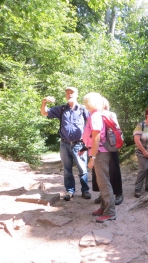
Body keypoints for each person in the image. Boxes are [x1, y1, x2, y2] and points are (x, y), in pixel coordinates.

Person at [40, 87, 91, 201]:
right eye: (68, 93)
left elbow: (93, 123)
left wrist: (89, 142)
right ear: (65, 95)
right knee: (67, 170)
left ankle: (85, 191)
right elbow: (44, 113)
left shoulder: (83, 109)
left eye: (72, 93)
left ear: (77, 94)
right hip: (64, 144)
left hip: (79, 144)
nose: (70, 95)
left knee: (82, 170)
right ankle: (70, 191)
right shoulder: (62, 109)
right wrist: (44, 102)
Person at [82, 92, 116, 223]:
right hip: (100, 152)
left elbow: (96, 138)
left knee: (103, 182)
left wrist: (93, 157)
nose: (85, 104)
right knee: (102, 182)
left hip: (100, 153)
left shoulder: (95, 116)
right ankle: (103, 207)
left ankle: (110, 212)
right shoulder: (97, 114)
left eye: (86, 102)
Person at [93, 97, 124, 205]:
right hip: (99, 147)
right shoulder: (94, 115)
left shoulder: (111, 114)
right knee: (99, 172)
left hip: (111, 145)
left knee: (114, 170)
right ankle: (102, 194)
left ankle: (119, 193)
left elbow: (116, 129)